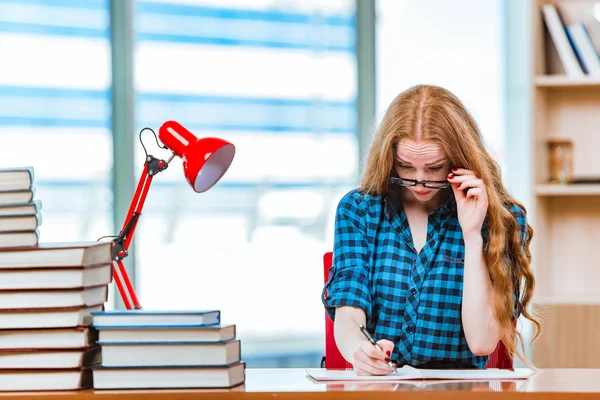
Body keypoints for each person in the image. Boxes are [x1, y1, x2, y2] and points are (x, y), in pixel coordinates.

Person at [322, 85, 541, 375]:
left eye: (434, 167)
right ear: (389, 159)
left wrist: (472, 234)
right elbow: (349, 311)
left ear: (459, 158)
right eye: (405, 166)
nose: (420, 182)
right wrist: (358, 349)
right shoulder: (358, 211)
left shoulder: (503, 219)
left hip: (461, 392)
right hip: (381, 388)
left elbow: (481, 342)